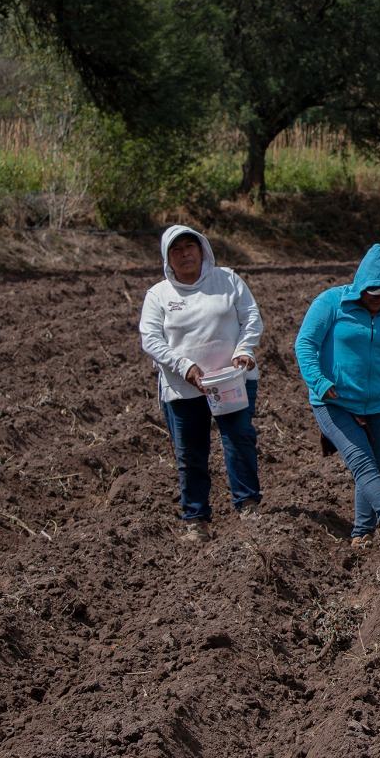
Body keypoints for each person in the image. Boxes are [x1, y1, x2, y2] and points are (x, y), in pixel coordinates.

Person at [295, 244, 380, 550]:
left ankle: (361, 533)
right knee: (362, 463)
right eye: (374, 293)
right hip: (333, 400)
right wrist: (319, 381)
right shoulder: (331, 303)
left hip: (379, 402)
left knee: (372, 467)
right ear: (361, 286)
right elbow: (305, 345)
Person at [139, 225, 263, 542]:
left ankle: (248, 505)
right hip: (183, 388)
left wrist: (244, 350)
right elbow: (151, 340)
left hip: (230, 380)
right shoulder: (159, 295)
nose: (184, 254)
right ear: (168, 258)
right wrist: (185, 366)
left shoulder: (228, 280)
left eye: (189, 247)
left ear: (202, 249)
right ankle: (196, 519)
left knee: (239, 440)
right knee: (191, 453)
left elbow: (250, 316)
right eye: (176, 250)